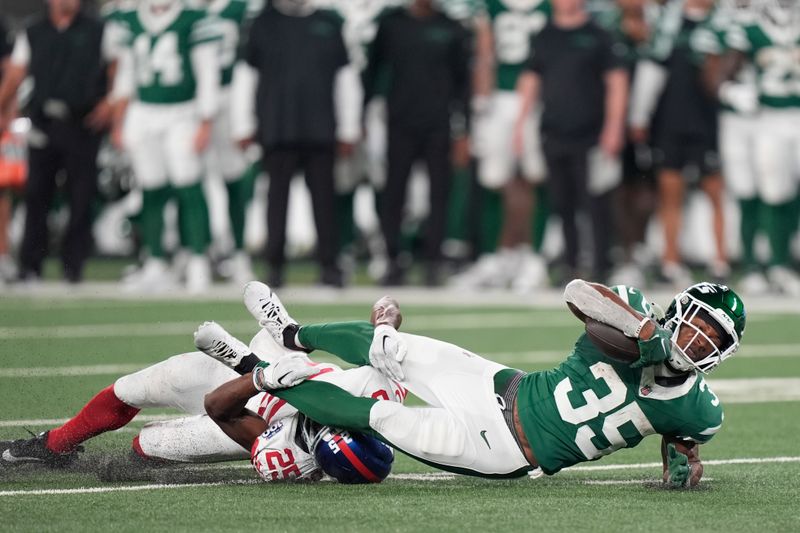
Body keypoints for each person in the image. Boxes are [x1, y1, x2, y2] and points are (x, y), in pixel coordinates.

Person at [232, 278, 744, 487]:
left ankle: (256, 373)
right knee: (391, 348)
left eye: (712, 339)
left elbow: (683, 448)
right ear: (677, 311)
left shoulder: (700, 409)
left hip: (503, 449)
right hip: (500, 385)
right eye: (697, 324)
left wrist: (682, 464)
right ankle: (291, 333)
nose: (699, 342)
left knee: (379, 415)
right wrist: (642, 333)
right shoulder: (633, 310)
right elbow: (576, 292)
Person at [0, 295, 404, 484]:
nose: (318, 425)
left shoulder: (291, 455)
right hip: (282, 362)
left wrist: (256, 376)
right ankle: (53, 445)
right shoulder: (378, 396)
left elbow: (220, 407)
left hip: (241, 405)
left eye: (316, 433)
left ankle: (256, 354)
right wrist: (385, 325)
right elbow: (383, 322)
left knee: (146, 447)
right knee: (138, 386)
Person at [231, 0, 361, 288]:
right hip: (277, 127)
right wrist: (243, 123)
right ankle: (274, 266)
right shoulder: (263, 22)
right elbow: (246, 74)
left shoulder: (329, 22)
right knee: (276, 200)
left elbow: (345, 76)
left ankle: (330, 266)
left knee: (324, 202)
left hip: (320, 128)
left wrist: (349, 127)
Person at [514, 0, 629, 285]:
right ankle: (571, 264)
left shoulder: (598, 35)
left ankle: (602, 264)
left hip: (590, 133)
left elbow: (617, 82)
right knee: (561, 203)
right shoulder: (544, 35)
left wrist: (614, 127)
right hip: (553, 131)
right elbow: (531, 78)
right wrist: (520, 123)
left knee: (595, 202)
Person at [111, 0, 220, 294]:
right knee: (150, 187)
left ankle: (199, 260)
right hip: (143, 111)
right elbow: (125, 76)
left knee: (188, 184)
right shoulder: (130, 18)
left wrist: (206, 120)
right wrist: (118, 121)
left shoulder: (194, 19)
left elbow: (208, 73)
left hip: (183, 112)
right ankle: (155, 261)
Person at [0, 0, 109, 284]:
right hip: (43, 120)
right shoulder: (34, 30)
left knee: (81, 196)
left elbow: (117, 66)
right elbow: (16, 74)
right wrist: (3, 106)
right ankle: (30, 266)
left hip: (82, 122)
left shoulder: (98, 29)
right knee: (36, 194)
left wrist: (110, 103)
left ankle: (74, 266)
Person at [364, 0, 471, 286]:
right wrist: (362, 118)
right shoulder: (391, 24)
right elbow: (373, 72)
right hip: (399, 121)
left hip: (439, 123)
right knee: (394, 193)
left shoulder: (451, 27)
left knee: (439, 194)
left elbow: (463, 82)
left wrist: (464, 129)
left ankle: (433, 261)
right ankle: (392, 260)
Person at [629, 0, 728, 286]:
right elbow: (652, 67)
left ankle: (719, 261)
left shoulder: (723, 23)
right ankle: (670, 262)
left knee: (714, 191)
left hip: (707, 121)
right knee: (670, 193)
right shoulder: (668, 23)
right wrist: (640, 115)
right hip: (670, 121)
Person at [460, 0, 550, 292]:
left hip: (538, 99)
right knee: (493, 179)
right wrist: (481, 101)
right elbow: (485, 54)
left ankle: (535, 257)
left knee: (536, 177)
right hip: (500, 99)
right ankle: (496, 256)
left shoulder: (549, 7)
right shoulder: (492, 7)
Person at [716, 0, 800, 295]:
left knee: (790, 194)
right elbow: (723, 71)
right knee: (772, 191)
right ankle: (770, 265)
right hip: (769, 120)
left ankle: (783, 263)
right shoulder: (749, 26)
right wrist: (731, 90)